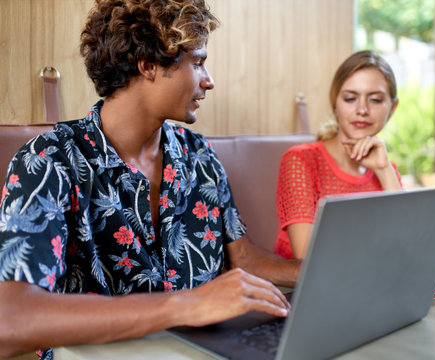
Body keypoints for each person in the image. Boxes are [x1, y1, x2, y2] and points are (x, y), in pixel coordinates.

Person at [0, 1, 299, 358]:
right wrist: (187, 304)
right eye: (199, 61)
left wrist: (327, 273)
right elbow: (11, 320)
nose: (209, 80)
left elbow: (246, 258)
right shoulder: (49, 160)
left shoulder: (197, 153)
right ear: (149, 65)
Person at [274, 50, 435, 269]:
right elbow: (306, 257)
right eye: (350, 98)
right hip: (299, 294)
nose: (362, 110)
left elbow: (408, 240)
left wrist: (383, 170)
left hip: (374, 284)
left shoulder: (386, 167)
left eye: (375, 99)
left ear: (392, 108)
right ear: (335, 103)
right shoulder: (301, 161)